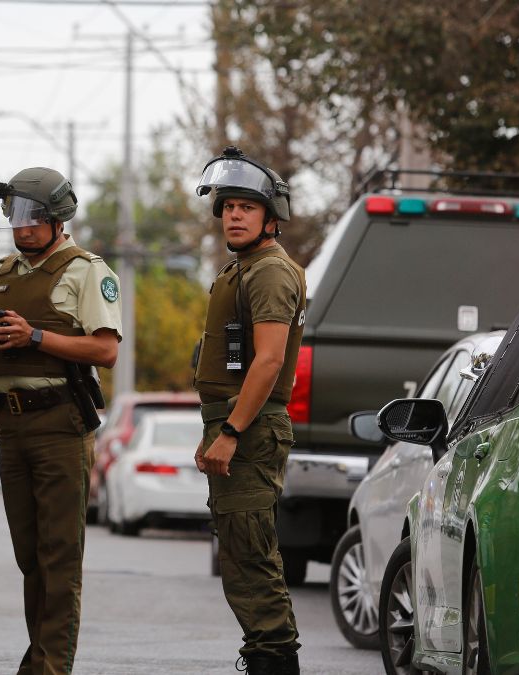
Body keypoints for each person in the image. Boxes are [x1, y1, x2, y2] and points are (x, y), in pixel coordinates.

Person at [0, 166, 122, 675]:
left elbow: (105, 349)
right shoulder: (3, 273)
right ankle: (39, 658)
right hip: (12, 429)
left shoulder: (86, 271)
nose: (21, 225)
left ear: (56, 218)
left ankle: (51, 667)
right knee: (30, 556)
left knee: (59, 558)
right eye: (14, 215)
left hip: (59, 429)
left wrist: (34, 337)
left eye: (31, 216)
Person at [192, 147, 305, 675]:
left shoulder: (269, 272)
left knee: (253, 559)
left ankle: (274, 661)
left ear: (270, 217)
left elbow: (270, 361)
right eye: (228, 205)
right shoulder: (242, 269)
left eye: (247, 206)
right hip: (234, 424)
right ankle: (266, 655)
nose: (233, 214)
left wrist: (232, 430)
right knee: (240, 557)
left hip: (251, 430)